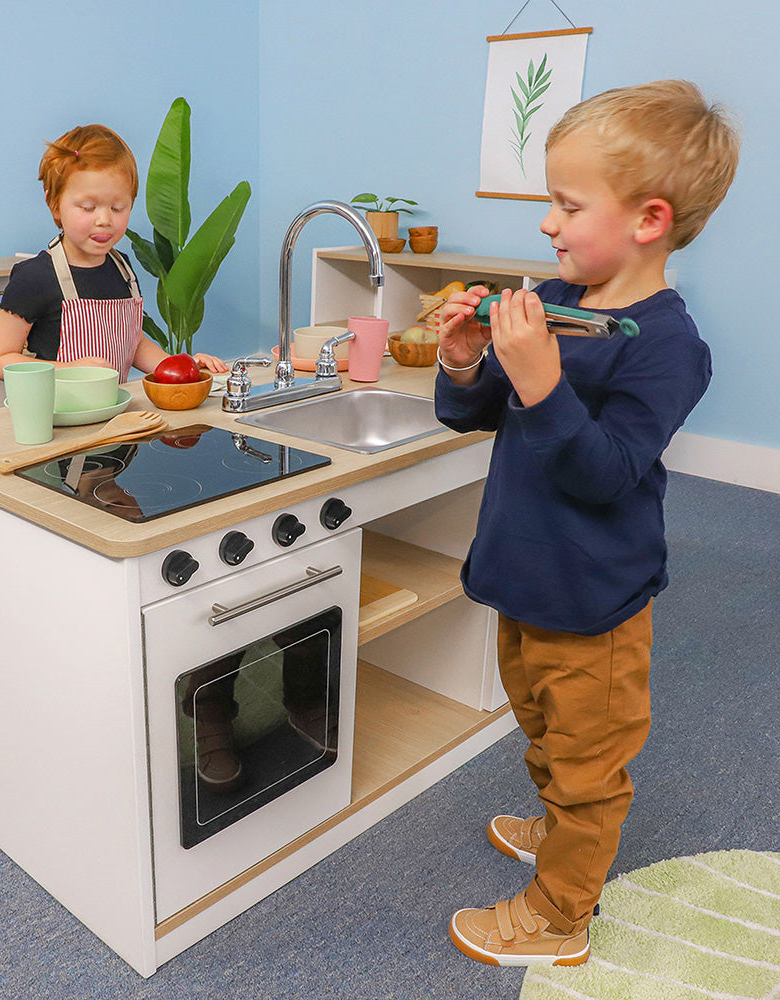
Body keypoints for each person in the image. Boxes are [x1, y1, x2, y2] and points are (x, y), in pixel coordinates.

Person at [434, 80, 740, 966]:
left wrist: (538, 376)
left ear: (649, 219)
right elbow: (477, 413)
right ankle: (555, 826)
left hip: (597, 601)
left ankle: (562, 915)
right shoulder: (563, 298)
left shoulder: (671, 347)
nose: (547, 225)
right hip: (523, 575)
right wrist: (466, 363)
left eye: (566, 205)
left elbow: (606, 473)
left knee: (588, 764)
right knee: (539, 723)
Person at [0, 124, 227, 380]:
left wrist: (181, 367)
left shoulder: (122, 269)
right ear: (54, 204)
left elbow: (135, 346)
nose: (104, 219)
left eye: (118, 207)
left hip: (114, 413)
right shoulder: (34, 277)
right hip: (59, 416)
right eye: (88, 207)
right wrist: (72, 371)